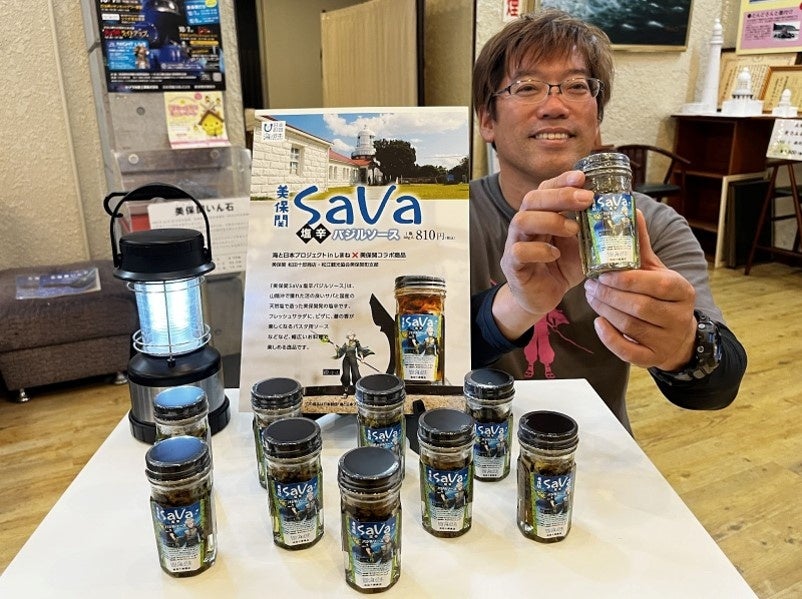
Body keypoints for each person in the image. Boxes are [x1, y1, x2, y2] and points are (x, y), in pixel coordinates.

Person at [470, 9, 747, 432]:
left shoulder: (651, 224)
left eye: (577, 86)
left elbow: (717, 386)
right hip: (463, 445)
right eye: (526, 87)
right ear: (487, 120)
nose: (555, 106)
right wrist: (517, 303)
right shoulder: (449, 217)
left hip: (595, 446)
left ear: (597, 116)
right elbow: (412, 356)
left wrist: (682, 346)